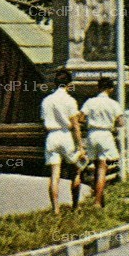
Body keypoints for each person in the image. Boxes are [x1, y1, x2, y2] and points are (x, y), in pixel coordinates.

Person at [40, 69, 83, 212]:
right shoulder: (70, 100)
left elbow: (43, 120)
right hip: (66, 136)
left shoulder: (46, 101)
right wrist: (81, 146)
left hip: (51, 136)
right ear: (69, 84)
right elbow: (76, 125)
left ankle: (56, 209)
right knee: (76, 171)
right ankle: (75, 206)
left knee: (54, 175)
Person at [79, 76, 125, 207]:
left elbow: (81, 118)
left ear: (98, 88)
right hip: (106, 135)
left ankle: (97, 195)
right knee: (102, 168)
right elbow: (121, 123)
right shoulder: (114, 104)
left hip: (92, 134)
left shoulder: (90, 102)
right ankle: (98, 201)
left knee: (95, 167)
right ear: (110, 89)